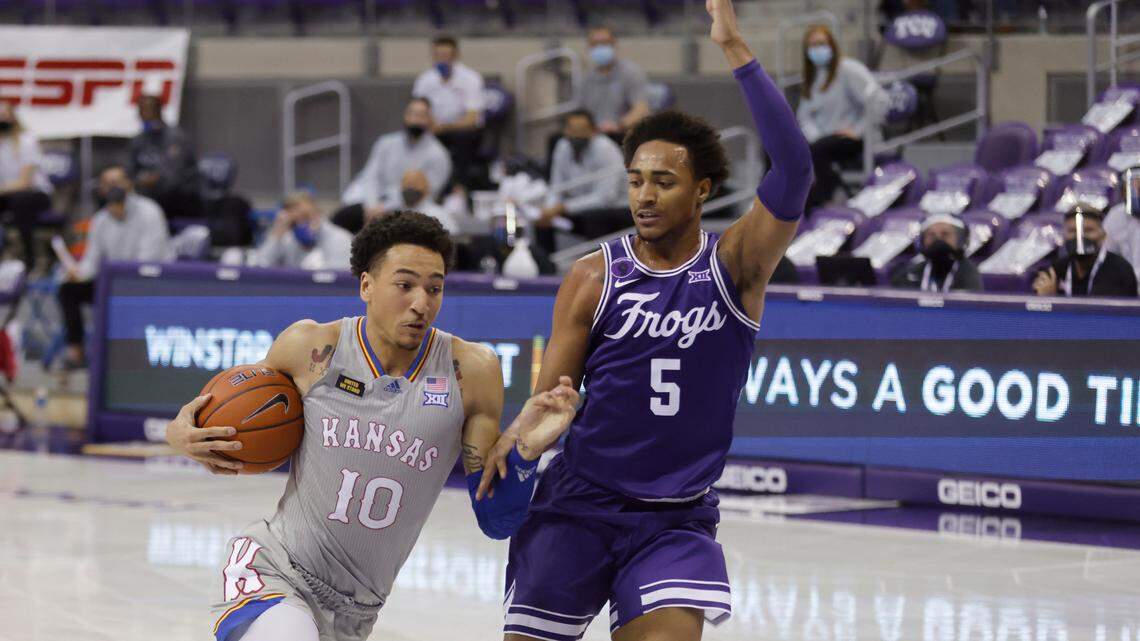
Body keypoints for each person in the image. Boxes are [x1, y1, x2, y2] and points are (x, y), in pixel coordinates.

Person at [477, 1, 813, 639]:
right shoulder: (591, 276)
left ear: (703, 190)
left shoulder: (735, 267)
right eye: (635, 181)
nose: (645, 196)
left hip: (676, 520)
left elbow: (794, 169)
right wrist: (527, 437)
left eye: (663, 181)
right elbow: (554, 399)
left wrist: (735, 48)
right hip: (577, 505)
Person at [164, 211, 580, 641]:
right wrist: (178, 434)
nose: (422, 302)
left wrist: (527, 454)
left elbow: (496, 522)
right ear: (366, 285)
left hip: (356, 612)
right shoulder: (310, 346)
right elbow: (226, 413)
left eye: (434, 288)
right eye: (405, 285)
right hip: (275, 568)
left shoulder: (472, 371)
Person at [58, 166, 171, 367]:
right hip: (113, 284)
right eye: (106, 183)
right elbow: (91, 261)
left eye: (116, 182)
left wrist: (116, 278)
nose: (111, 187)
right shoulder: (100, 219)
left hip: (149, 284)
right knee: (69, 290)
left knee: (122, 293)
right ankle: (76, 353)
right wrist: (77, 273)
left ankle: (128, 357)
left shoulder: (150, 212)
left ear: (128, 183)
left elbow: (148, 261)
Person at [797, 24, 889, 212]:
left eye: (821, 43)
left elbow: (879, 100)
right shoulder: (812, 78)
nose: (817, 49)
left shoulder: (848, 68)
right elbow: (804, 117)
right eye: (812, 46)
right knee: (778, 148)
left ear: (832, 44)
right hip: (823, 140)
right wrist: (816, 137)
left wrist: (857, 130)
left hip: (855, 139)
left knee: (818, 151)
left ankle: (824, 202)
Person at [336, 98, 452, 234]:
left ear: (430, 119)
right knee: (340, 220)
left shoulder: (439, 155)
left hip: (410, 207)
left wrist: (385, 207)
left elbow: (424, 192)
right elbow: (370, 176)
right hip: (372, 203)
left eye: (421, 115)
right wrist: (371, 206)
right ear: (405, 116)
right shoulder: (386, 143)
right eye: (412, 113)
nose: (415, 120)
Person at [534, 109, 628, 253]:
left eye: (582, 130)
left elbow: (605, 198)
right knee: (542, 221)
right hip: (579, 207)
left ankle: (597, 268)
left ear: (593, 131)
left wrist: (564, 207)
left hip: (616, 209)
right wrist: (549, 210)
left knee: (594, 218)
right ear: (565, 131)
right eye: (573, 130)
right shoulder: (562, 146)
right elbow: (557, 186)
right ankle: (545, 268)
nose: (577, 135)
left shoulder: (605, 149)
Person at [412, 36, 485, 190]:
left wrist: (445, 127)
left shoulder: (471, 78)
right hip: (433, 128)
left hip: (462, 130)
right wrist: (431, 125)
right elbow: (418, 108)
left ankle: (459, 190)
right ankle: (421, 186)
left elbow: (472, 118)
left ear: (456, 55)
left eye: (446, 56)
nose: (442, 60)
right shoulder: (425, 80)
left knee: (463, 139)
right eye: (439, 56)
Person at [1033, 205, 1138, 298]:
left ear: (1103, 236)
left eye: (1088, 230)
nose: (1080, 237)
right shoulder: (1055, 270)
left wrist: (1053, 300)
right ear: (1064, 236)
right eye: (1073, 231)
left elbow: (1099, 313)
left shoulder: (1120, 270)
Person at [128, 93, 201, 220]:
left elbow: (174, 177)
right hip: (146, 193)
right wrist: (137, 181)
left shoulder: (175, 138)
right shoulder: (139, 140)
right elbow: (131, 171)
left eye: (149, 110)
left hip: (178, 196)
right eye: (141, 110)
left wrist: (154, 179)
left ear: (159, 111)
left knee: (160, 197)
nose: (145, 114)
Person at [0, 101, 53, 273]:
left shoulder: (26, 141)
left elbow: (24, 183)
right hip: (8, 195)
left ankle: (29, 257)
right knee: (14, 201)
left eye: (5, 115)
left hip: (36, 194)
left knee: (20, 201)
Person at [578, 26, 651, 139]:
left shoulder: (631, 72)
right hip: (593, 135)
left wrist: (618, 125)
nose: (600, 47)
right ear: (589, 47)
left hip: (621, 133)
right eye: (595, 44)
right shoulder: (586, 79)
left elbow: (641, 109)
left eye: (605, 43)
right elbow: (581, 113)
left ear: (614, 44)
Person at [256, 191, 354, 271]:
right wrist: (277, 233)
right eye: (295, 221)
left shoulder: (340, 239)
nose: (301, 224)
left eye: (305, 217)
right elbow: (261, 266)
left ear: (317, 213)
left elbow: (338, 280)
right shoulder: (288, 239)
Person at [889, 213, 983, 292]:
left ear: (961, 240)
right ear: (922, 241)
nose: (938, 240)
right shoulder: (908, 274)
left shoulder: (969, 274)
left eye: (945, 234)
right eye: (931, 235)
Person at [1104, 168, 1140, 284]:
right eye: (1131, 191)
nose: (1136, 195)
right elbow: (1107, 257)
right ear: (1123, 192)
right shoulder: (1115, 216)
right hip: (1125, 285)